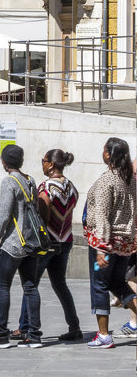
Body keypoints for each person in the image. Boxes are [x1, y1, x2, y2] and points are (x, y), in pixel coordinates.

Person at [12, 148, 82, 342]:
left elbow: (44, 216)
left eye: (43, 160)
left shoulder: (46, 188)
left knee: (30, 285)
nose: (42, 163)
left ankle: (26, 327)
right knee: (60, 285)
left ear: (51, 164)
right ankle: (74, 326)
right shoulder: (71, 186)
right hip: (65, 241)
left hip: (47, 243)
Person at [0, 144, 42, 348]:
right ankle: (34, 335)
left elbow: (5, 215)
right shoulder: (30, 180)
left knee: (3, 286)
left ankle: (1, 334)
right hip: (31, 243)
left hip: (12, 244)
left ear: (4, 162)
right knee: (30, 287)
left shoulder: (9, 182)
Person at [82, 137, 137, 350]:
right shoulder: (131, 180)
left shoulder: (108, 180)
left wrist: (100, 249)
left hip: (105, 244)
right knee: (117, 284)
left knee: (99, 285)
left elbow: (102, 216)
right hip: (124, 243)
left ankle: (103, 335)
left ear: (108, 154)